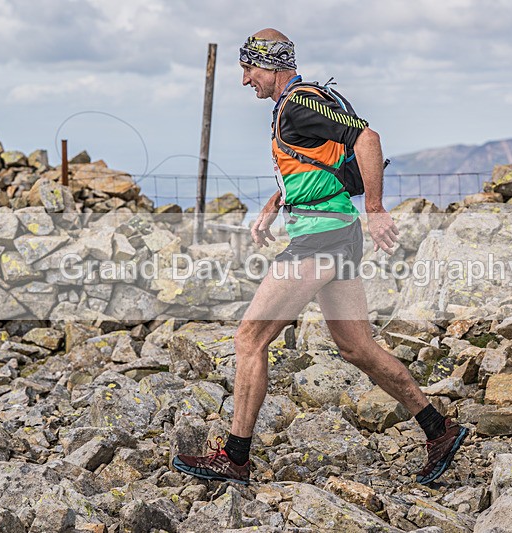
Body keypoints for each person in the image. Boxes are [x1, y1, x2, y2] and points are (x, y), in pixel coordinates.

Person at [173, 28, 467, 485]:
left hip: (320, 240)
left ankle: (234, 457)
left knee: (250, 339)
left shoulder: (300, 102)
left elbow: (366, 139)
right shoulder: (291, 108)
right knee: (356, 347)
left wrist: (375, 209)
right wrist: (276, 203)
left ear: (270, 65)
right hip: (335, 233)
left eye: (249, 68)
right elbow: (315, 165)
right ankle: (438, 429)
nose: (245, 79)